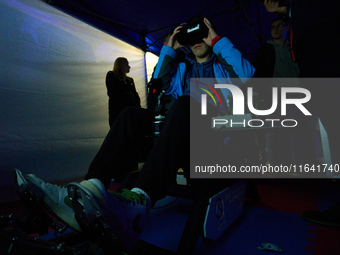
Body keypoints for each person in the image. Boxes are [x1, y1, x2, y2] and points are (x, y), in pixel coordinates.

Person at [14, 17, 255, 252]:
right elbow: (156, 87)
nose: (196, 41)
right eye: (190, 38)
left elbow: (248, 78)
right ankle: (88, 190)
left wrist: (215, 39)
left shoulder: (225, 67)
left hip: (216, 147)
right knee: (131, 114)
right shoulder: (183, 69)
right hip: (185, 146)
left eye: (200, 35)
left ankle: (140, 201)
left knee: (185, 104)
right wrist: (169, 49)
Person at [263, 0, 340, 228]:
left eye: (279, 26)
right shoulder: (271, 48)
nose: (276, 30)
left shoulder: (315, 21)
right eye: (272, 27)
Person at [106, 57, 141, 127]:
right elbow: (113, 94)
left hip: (130, 113)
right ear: (122, 65)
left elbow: (135, 96)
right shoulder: (111, 76)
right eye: (127, 64)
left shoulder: (130, 80)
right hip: (119, 113)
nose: (129, 67)